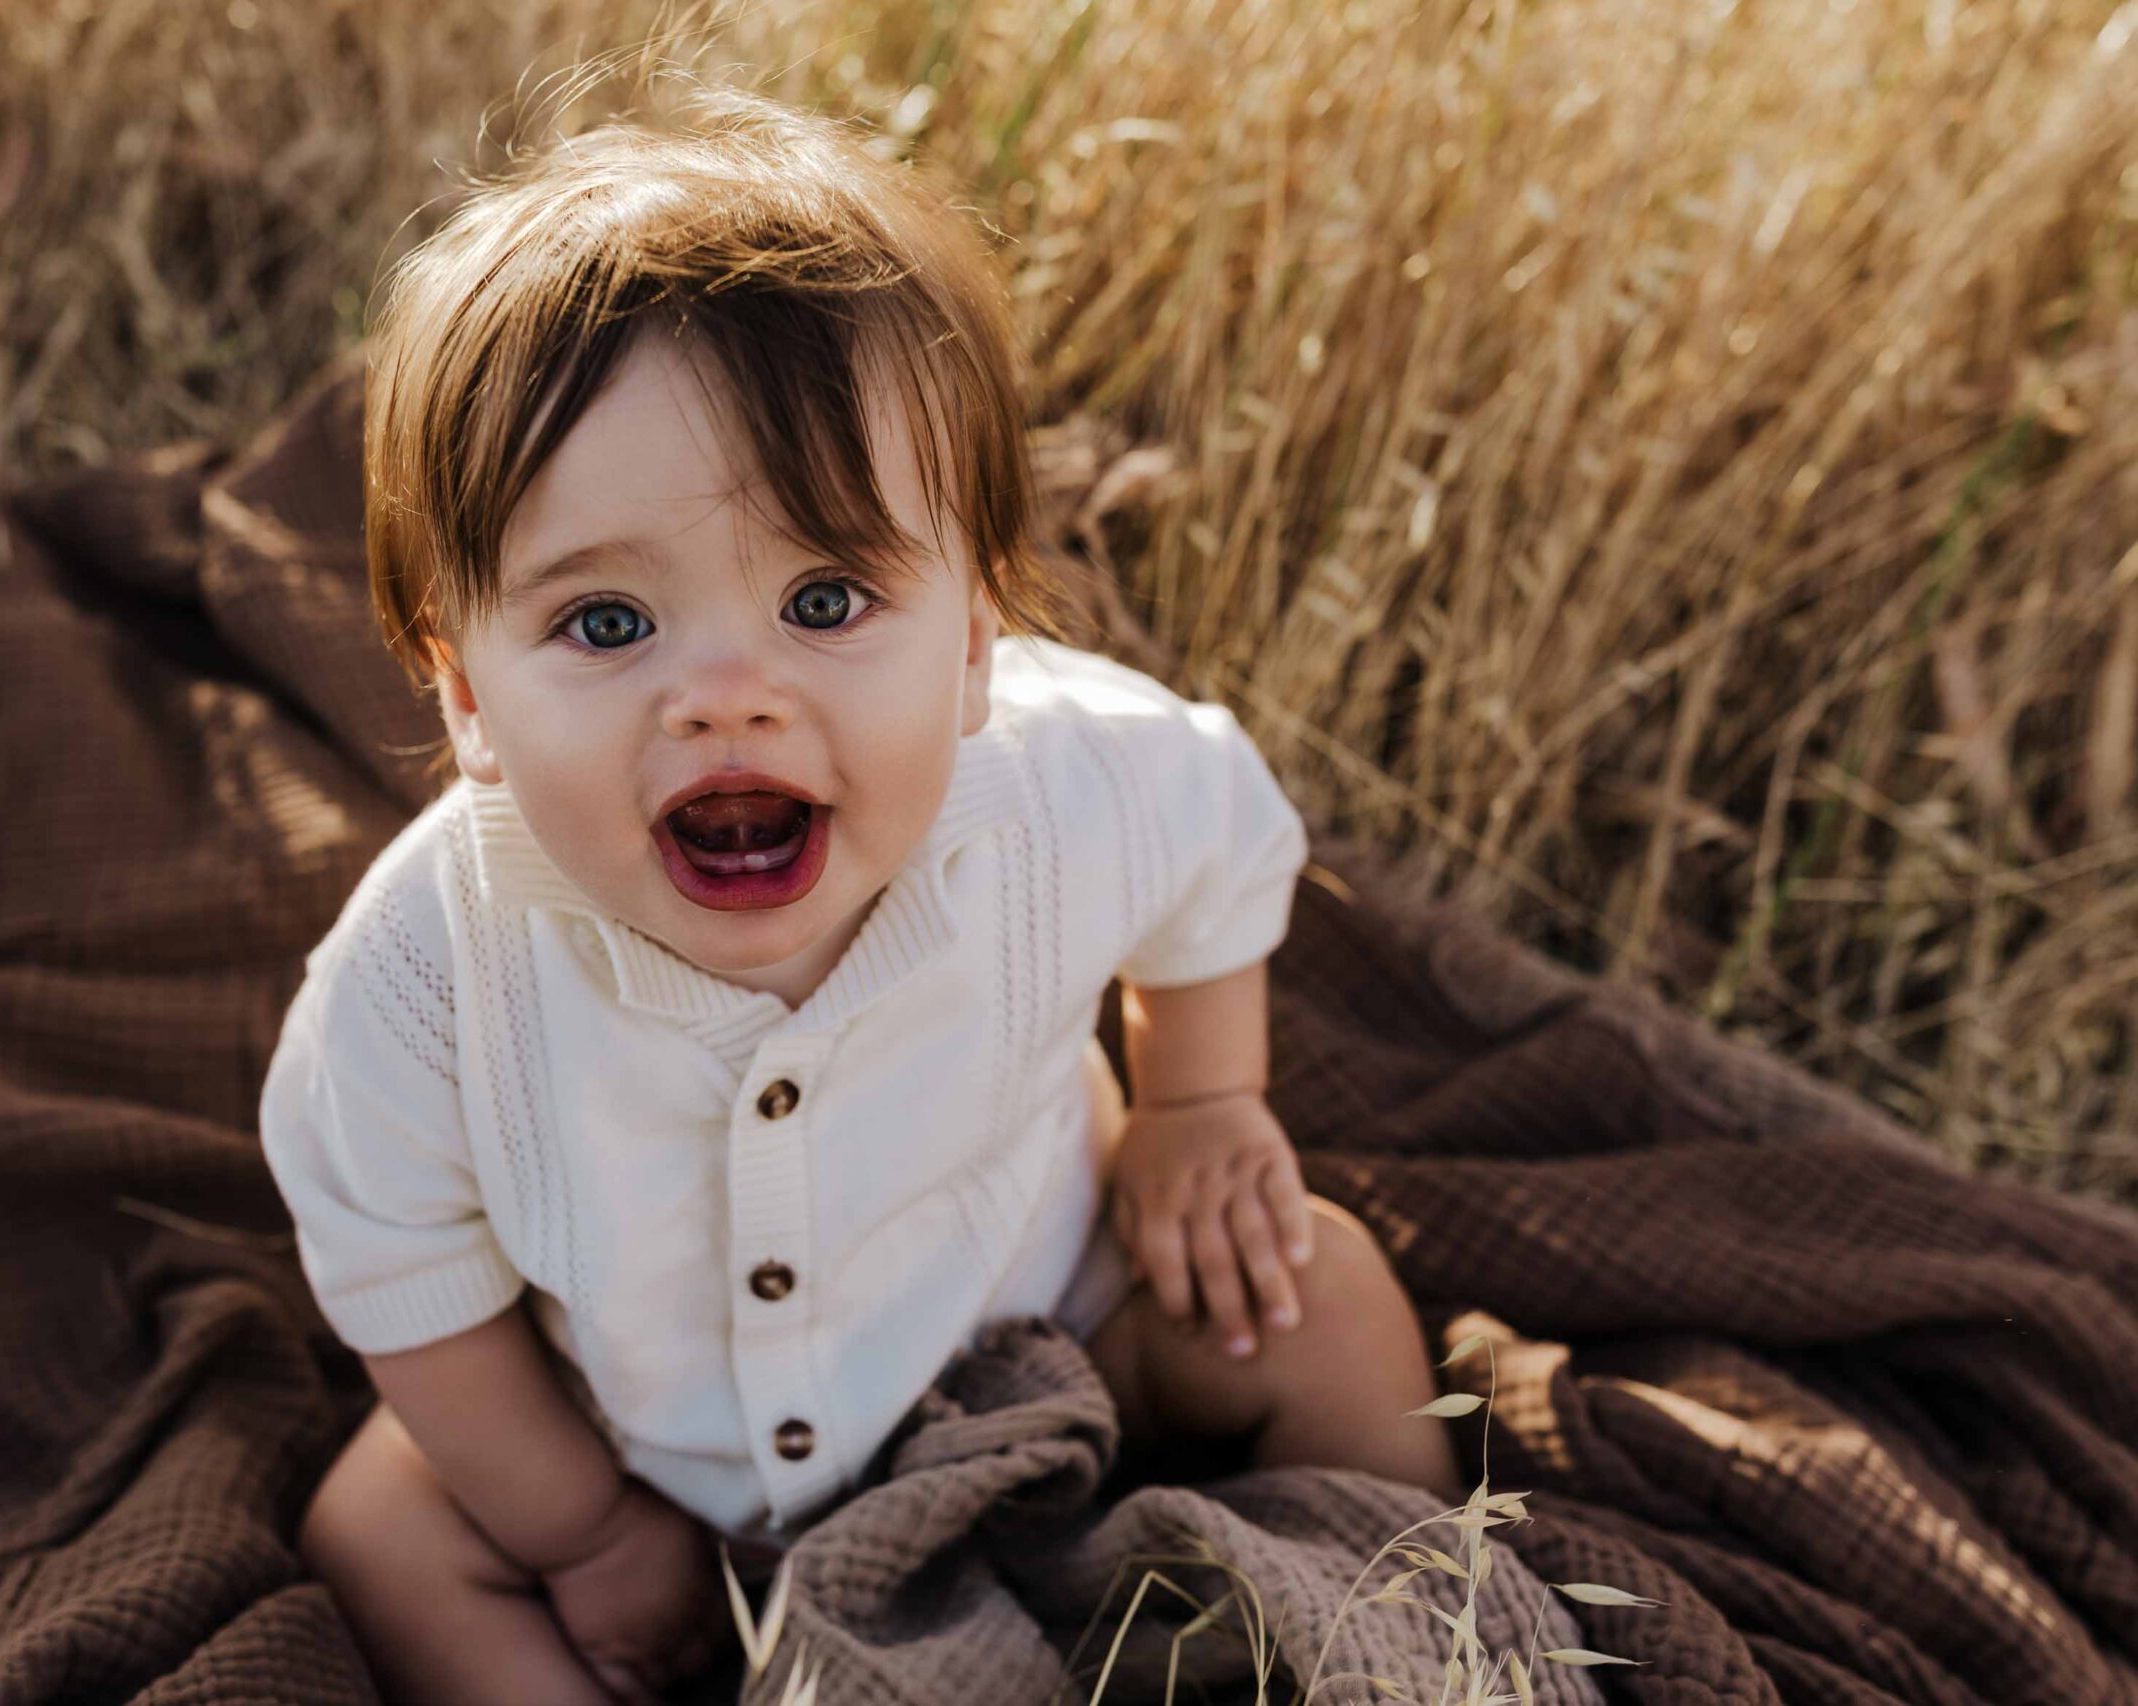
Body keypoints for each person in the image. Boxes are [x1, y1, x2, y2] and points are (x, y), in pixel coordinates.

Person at [259, 80, 1465, 1706]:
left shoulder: (1058, 788)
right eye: (608, 625)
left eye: (827, 597)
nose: (727, 696)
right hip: (654, 1467)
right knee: (382, 1524)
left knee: (1311, 1288)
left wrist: (1200, 1097)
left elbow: (1220, 837)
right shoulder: (425, 977)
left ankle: (1388, 1621)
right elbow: (400, 1273)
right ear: (464, 693)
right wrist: (587, 1529)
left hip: (1053, 1354)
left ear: (975, 644)